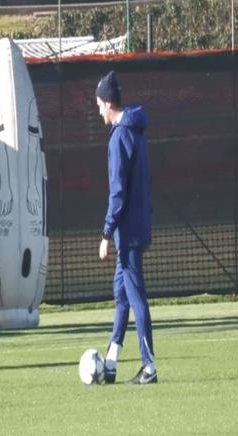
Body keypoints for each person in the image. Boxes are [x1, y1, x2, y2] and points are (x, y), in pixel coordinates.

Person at [96, 70, 157, 385]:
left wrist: (106, 233)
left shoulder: (120, 136)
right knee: (121, 295)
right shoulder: (136, 130)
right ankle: (110, 363)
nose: (99, 111)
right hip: (136, 226)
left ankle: (149, 367)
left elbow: (117, 192)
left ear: (108, 103)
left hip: (128, 232)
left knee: (135, 296)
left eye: (99, 105)